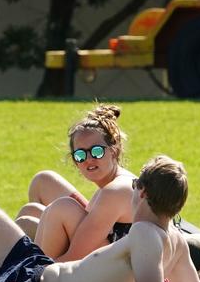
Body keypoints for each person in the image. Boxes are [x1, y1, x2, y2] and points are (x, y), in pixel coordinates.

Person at [0, 155, 200, 282]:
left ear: (142, 192)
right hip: (36, 271)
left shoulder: (145, 232)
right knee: (18, 216)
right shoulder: (176, 241)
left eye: (135, 185)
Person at [15, 104, 136, 262]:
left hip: (120, 274)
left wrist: (40, 271)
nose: (89, 159)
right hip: (112, 261)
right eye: (80, 155)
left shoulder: (116, 190)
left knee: (62, 208)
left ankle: (29, 280)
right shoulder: (113, 185)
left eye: (97, 151)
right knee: (30, 211)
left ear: (114, 150)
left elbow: (74, 257)